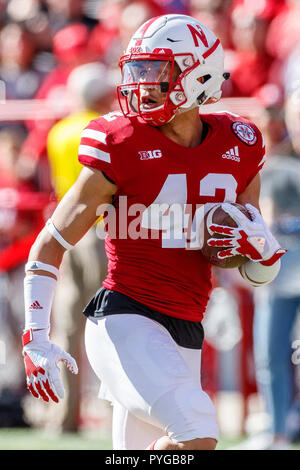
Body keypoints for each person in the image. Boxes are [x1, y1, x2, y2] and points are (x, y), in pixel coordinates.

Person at [21, 14, 286, 450]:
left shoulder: (239, 144)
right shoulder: (119, 141)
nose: (142, 85)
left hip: (187, 322)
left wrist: (253, 250)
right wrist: (36, 334)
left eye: (157, 73)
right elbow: (51, 242)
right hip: (125, 318)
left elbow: (236, 258)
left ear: (198, 73)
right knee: (198, 433)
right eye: (137, 71)